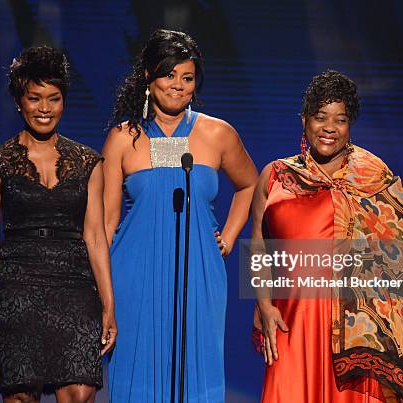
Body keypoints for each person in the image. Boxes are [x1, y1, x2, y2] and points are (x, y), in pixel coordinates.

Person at [103, 29, 258, 402]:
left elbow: (250, 184)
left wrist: (230, 236)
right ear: (147, 77)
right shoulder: (123, 139)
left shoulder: (217, 133)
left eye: (186, 78)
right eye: (168, 75)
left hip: (199, 271)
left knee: (196, 371)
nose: (177, 86)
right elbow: (106, 223)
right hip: (135, 273)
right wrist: (102, 290)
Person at [251, 70, 403, 402]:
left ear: (349, 125)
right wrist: (264, 304)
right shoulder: (276, 175)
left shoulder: (373, 178)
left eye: (340, 120)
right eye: (320, 117)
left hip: (356, 331)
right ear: (304, 120)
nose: (329, 128)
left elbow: (397, 256)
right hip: (292, 321)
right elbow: (259, 244)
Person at [0, 46, 116, 403]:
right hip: (17, 285)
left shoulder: (88, 162)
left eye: (53, 98)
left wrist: (108, 304)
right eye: (35, 98)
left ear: (64, 101)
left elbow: (96, 237)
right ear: (19, 101)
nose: (44, 108)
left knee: (80, 392)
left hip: (75, 285)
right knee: (22, 395)